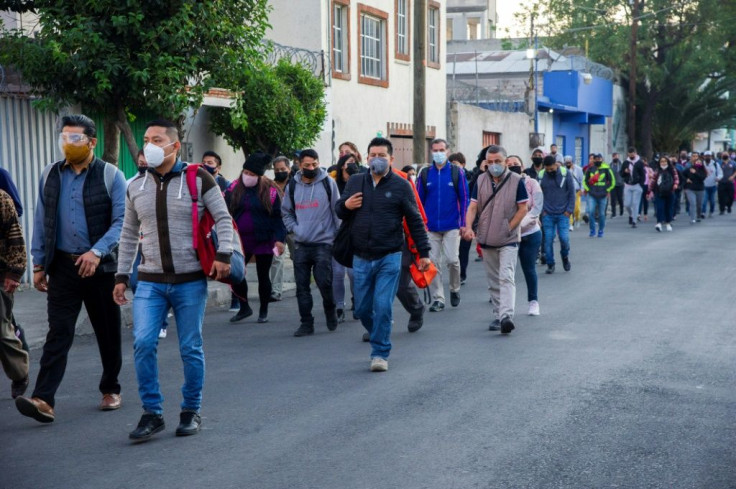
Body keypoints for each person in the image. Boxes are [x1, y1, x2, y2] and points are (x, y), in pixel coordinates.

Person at [113, 118, 236, 442]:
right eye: (146, 139)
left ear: (174, 145)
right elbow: (127, 235)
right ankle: (152, 413)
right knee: (142, 343)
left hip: (190, 280)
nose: (149, 146)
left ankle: (190, 410)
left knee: (190, 347)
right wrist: (122, 275)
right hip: (150, 281)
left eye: (156, 139)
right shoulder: (135, 186)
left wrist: (224, 255)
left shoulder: (199, 180)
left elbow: (223, 219)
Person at [17, 114, 126, 424]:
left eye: (75, 138)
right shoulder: (50, 175)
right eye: (64, 137)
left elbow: (122, 223)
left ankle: (111, 389)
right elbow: (42, 221)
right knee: (59, 332)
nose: (68, 143)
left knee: (107, 331)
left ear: (92, 142)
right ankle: (43, 399)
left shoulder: (111, 175)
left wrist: (97, 252)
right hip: (63, 267)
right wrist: (38, 263)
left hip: (101, 268)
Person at [336, 137, 430, 372]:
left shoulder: (401, 185)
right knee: (363, 309)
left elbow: (415, 220)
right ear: (366, 158)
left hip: (390, 255)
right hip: (360, 256)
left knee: (383, 305)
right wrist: (346, 205)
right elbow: (339, 210)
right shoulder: (357, 181)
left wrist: (424, 253)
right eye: (372, 155)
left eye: (382, 155)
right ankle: (379, 330)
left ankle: (379, 352)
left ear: (391, 159)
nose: (376, 159)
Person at [462, 145, 528, 334]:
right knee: (493, 280)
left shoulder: (516, 181)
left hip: (508, 238)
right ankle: (499, 314)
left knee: (506, 276)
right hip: (487, 237)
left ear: (506, 162)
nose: (493, 165)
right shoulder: (481, 180)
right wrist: (468, 227)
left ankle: (506, 316)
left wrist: (509, 227)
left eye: (497, 161)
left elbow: (523, 208)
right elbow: (473, 207)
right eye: (490, 162)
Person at [281, 148, 341, 337]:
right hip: (302, 244)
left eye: (314, 164)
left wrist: (337, 235)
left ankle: (330, 311)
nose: (311, 168)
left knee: (324, 282)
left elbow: (337, 210)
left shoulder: (327, 183)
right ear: (299, 164)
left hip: (324, 242)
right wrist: (294, 229)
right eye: (307, 165)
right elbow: (286, 212)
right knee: (302, 286)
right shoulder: (292, 186)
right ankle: (306, 322)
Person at [226, 152, 286, 324]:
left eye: (252, 175)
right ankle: (244, 307)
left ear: (259, 176)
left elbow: (278, 218)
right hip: (239, 240)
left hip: (264, 238)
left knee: (263, 275)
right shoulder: (233, 188)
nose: (248, 177)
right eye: (246, 173)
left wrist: (279, 239)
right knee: (236, 273)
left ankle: (263, 310)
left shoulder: (271, 191)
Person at [416, 138, 469, 312]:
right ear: (431, 152)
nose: (438, 153)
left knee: (453, 260)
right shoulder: (424, 173)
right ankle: (438, 298)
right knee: (433, 262)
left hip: (452, 224)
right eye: (435, 150)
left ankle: (455, 289)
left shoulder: (457, 172)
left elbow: (464, 198)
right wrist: (420, 224)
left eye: (441, 150)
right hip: (430, 227)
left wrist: (463, 223)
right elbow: (418, 202)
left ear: (447, 151)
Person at [0, 189, 29, 399]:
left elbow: (15, 236)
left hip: (0, 274)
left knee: (2, 332)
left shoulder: (2, 198)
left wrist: (15, 272)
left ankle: (20, 374)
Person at [506, 156, 543, 316]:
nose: (513, 166)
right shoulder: (502, 185)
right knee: (506, 272)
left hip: (530, 233)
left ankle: (533, 302)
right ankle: (505, 306)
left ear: (522, 166)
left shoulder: (532, 183)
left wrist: (517, 225)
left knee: (529, 269)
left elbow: (536, 208)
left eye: (516, 164)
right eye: (509, 165)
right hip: (508, 235)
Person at [330, 153, 360, 320]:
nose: (351, 165)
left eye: (354, 162)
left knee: (354, 272)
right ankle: (339, 306)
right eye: (349, 163)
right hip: (337, 233)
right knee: (338, 272)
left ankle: (357, 301)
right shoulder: (334, 184)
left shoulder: (360, 181)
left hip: (355, 232)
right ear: (342, 165)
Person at [539, 155, 575, 274]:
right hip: (547, 214)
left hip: (563, 214)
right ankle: (550, 264)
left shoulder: (565, 174)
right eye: (547, 169)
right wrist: (542, 211)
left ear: (556, 164)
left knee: (564, 239)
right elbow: (538, 195)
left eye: (551, 168)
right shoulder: (541, 175)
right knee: (548, 240)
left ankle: (565, 257)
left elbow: (571, 193)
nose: (549, 171)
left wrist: (569, 210)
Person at [269, 156, 294, 302]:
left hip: (293, 228)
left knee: (298, 258)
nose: (280, 172)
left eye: (283, 169)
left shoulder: (296, 184)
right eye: (277, 170)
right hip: (277, 229)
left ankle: (303, 287)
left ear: (289, 169)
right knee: (276, 258)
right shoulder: (270, 186)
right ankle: (276, 291)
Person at [583, 153, 615, 238]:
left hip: (602, 195)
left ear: (602, 159)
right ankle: (592, 230)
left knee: (601, 214)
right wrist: (588, 189)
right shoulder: (590, 169)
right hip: (592, 195)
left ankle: (601, 230)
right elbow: (584, 181)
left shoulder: (606, 169)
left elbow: (613, 181)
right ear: (593, 160)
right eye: (595, 159)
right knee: (591, 212)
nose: (597, 160)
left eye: (599, 159)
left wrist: (607, 190)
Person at [648, 155, 679, 232]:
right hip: (659, 192)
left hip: (670, 192)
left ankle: (668, 223)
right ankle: (659, 223)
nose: (663, 163)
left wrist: (675, 185)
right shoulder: (657, 170)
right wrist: (649, 191)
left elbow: (676, 178)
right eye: (662, 161)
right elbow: (653, 181)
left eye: (665, 161)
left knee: (669, 208)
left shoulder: (672, 170)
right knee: (659, 208)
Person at [621, 147, 646, 228]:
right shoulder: (625, 162)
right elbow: (621, 173)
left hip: (637, 185)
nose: (631, 155)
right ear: (628, 154)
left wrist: (641, 185)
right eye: (630, 153)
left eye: (633, 153)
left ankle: (634, 221)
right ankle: (631, 215)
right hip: (628, 185)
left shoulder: (639, 162)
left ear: (635, 153)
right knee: (627, 204)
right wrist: (625, 172)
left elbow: (643, 175)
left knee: (635, 203)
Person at [683, 156, 706, 224]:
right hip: (690, 189)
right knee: (692, 203)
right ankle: (692, 218)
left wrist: (695, 172)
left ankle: (698, 216)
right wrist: (686, 179)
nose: (698, 163)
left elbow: (702, 178)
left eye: (700, 162)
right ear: (694, 163)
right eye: (697, 162)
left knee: (699, 204)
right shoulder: (689, 169)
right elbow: (681, 175)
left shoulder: (703, 170)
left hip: (700, 189)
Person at [564, 155, 584, 230]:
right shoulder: (564, 170)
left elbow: (582, 180)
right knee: (569, 208)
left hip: (577, 191)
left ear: (572, 162)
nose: (568, 164)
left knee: (577, 209)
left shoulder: (578, 169)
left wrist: (582, 189)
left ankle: (577, 218)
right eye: (566, 163)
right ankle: (570, 224)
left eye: (569, 162)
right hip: (567, 192)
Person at [701, 151, 721, 218]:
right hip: (704, 185)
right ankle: (703, 212)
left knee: (712, 201)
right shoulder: (701, 164)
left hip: (713, 185)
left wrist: (718, 178)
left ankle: (711, 211)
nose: (708, 157)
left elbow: (720, 173)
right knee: (704, 200)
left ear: (711, 156)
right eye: (706, 156)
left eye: (709, 156)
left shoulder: (715, 164)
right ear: (704, 157)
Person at [608, 152, 624, 218]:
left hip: (620, 184)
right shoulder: (610, 165)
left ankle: (621, 209)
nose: (616, 158)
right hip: (613, 184)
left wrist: (623, 181)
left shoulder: (621, 165)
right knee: (613, 199)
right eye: (614, 157)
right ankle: (613, 212)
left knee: (620, 198)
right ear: (612, 157)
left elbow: (624, 173)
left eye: (617, 157)